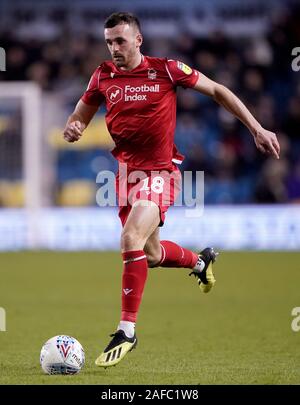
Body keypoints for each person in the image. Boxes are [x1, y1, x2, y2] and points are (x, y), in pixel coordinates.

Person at [63, 12, 280, 368]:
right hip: (125, 177)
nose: (114, 48)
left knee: (130, 238)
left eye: (120, 40)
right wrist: (73, 127)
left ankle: (127, 331)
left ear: (138, 40)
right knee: (147, 254)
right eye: (108, 42)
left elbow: (217, 90)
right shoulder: (102, 75)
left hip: (161, 172)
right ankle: (200, 260)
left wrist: (256, 128)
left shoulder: (166, 70)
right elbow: (80, 116)